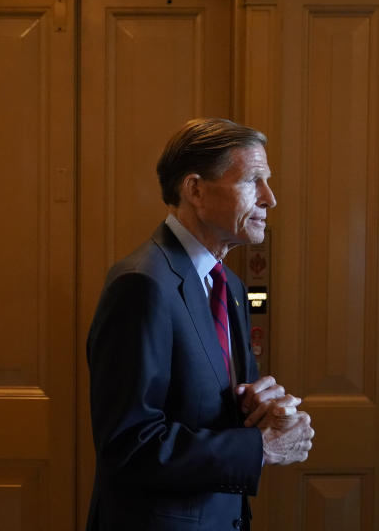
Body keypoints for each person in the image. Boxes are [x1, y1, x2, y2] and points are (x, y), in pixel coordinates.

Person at [86, 118, 314, 530]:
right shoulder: (141, 284)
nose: (270, 198)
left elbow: (211, 410)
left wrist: (259, 408)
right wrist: (259, 449)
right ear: (195, 190)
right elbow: (128, 446)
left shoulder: (231, 286)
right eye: (253, 181)